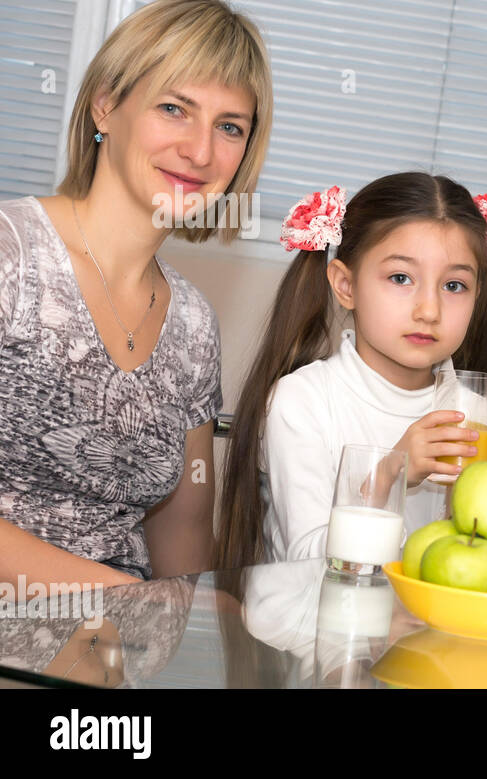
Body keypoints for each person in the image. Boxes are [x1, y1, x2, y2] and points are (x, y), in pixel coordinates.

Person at [0, 0, 272, 588]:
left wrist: (203, 643)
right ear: (106, 103)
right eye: (175, 109)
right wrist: (114, 596)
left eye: (230, 127)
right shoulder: (10, 257)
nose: (200, 152)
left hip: (120, 657)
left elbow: (183, 533)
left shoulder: (195, 324)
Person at [214, 172, 487, 570]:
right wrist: (391, 475)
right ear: (345, 285)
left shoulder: (475, 413)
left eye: (453, 286)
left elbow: (479, 569)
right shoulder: (303, 402)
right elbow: (307, 563)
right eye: (401, 278)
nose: (429, 310)